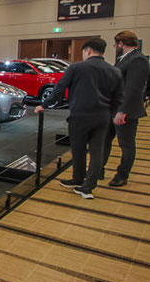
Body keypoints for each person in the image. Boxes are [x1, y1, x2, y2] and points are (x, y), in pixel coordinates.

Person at [35, 38, 123, 199]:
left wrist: (44, 105)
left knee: (78, 149)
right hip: (103, 117)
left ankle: (77, 178)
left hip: (80, 115)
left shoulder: (76, 67)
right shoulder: (114, 70)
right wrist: (110, 114)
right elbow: (118, 98)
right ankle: (88, 187)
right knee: (97, 152)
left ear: (88, 51)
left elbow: (59, 89)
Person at [100, 31, 150, 187]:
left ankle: (122, 175)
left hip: (125, 111)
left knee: (126, 145)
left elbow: (133, 89)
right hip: (113, 109)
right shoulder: (126, 59)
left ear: (121, 43)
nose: (115, 47)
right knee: (104, 140)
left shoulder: (138, 60)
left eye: (116, 44)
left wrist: (122, 111)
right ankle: (98, 169)